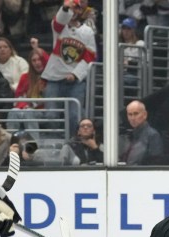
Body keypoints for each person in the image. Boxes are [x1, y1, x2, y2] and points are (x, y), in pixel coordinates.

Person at [41, 0, 97, 136]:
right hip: (54, 78)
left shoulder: (87, 32)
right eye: (71, 8)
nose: (73, 11)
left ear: (80, 10)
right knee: (51, 115)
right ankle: (55, 144)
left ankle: (74, 143)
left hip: (75, 82)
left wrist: (75, 74)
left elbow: (89, 57)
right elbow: (59, 21)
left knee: (74, 116)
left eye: (76, 8)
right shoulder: (59, 28)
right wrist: (65, 8)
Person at [7, 48, 49, 139]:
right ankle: (11, 144)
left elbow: (47, 101)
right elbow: (18, 98)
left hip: (42, 111)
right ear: (30, 63)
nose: (37, 62)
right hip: (24, 108)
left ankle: (33, 146)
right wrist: (23, 106)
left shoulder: (50, 77)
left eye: (39, 59)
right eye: (34, 60)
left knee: (29, 112)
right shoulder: (25, 77)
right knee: (13, 112)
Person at [120, 100, 163, 165]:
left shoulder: (153, 135)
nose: (133, 118)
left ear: (145, 115)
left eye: (136, 114)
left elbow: (155, 163)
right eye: (130, 114)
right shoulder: (130, 135)